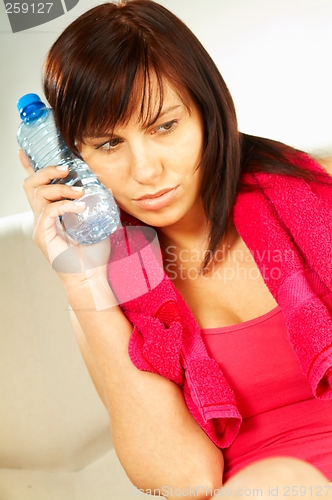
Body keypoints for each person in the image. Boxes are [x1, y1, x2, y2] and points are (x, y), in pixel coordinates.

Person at [19, 1, 332, 498]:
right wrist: (79, 279)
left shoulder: (314, 207)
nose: (145, 171)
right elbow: (184, 480)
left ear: (208, 111)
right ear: (71, 157)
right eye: (107, 144)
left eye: (164, 126)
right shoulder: (106, 290)